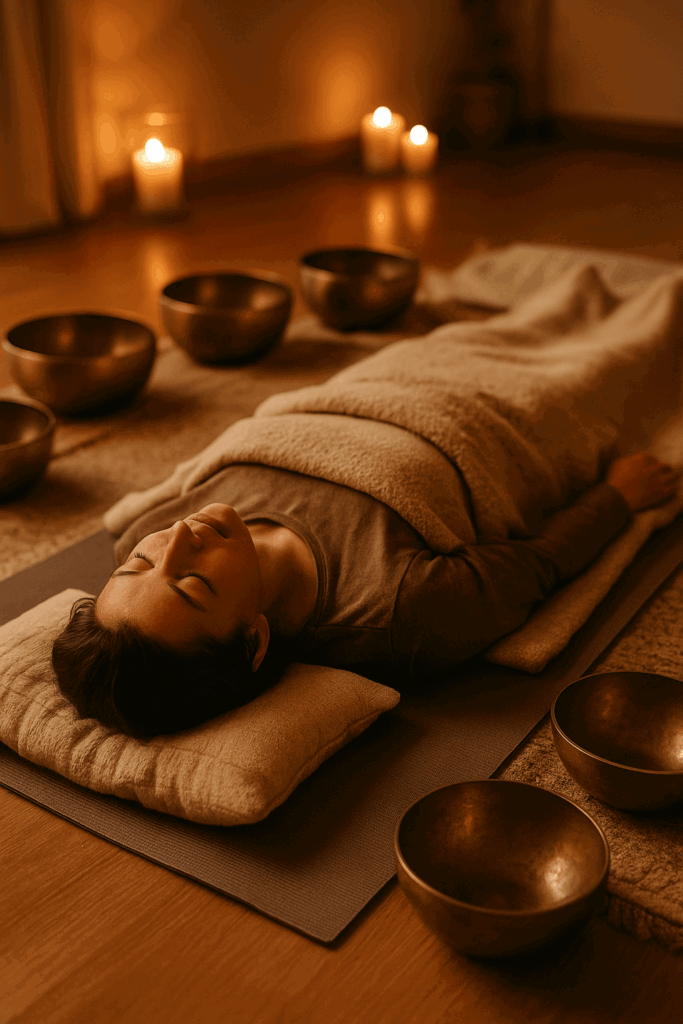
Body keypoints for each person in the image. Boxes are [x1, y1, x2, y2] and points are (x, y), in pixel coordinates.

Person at [51, 443, 679, 740]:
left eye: (141, 561)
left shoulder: (143, 530)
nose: (178, 537)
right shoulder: (403, 612)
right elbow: (538, 561)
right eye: (192, 581)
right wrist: (618, 496)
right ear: (255, 638)